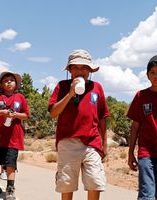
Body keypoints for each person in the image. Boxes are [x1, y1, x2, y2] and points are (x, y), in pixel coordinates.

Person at [49, 49, 109, 200]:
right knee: (67, 184)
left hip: (92, 142)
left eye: (84, 67)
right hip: (68, 142)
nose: (80, 71)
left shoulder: (97, 88)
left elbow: (102, 117)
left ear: (89, 70)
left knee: (95, 182)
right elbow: (53, 112)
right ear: (69, 70)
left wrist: (104, 143)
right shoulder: (62, 86)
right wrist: (70, 94)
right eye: (75, 67)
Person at [126, 54, 157, 200]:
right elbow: (135, 126)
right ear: (147, 75)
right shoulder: (141, 96)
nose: (156, 76)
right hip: (146, 152)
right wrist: (130, 153)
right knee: (146, 193)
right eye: (152, 72)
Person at [0, 71, 29, 200]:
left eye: (11, 80)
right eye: (6, 81)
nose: (9, 82)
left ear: (16, 84)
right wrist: (2, 112)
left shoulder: (20, 98)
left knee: (11, 163)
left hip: (14, 137)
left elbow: (26, 115)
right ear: (2, 84)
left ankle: (10, 189)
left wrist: (16, 115)